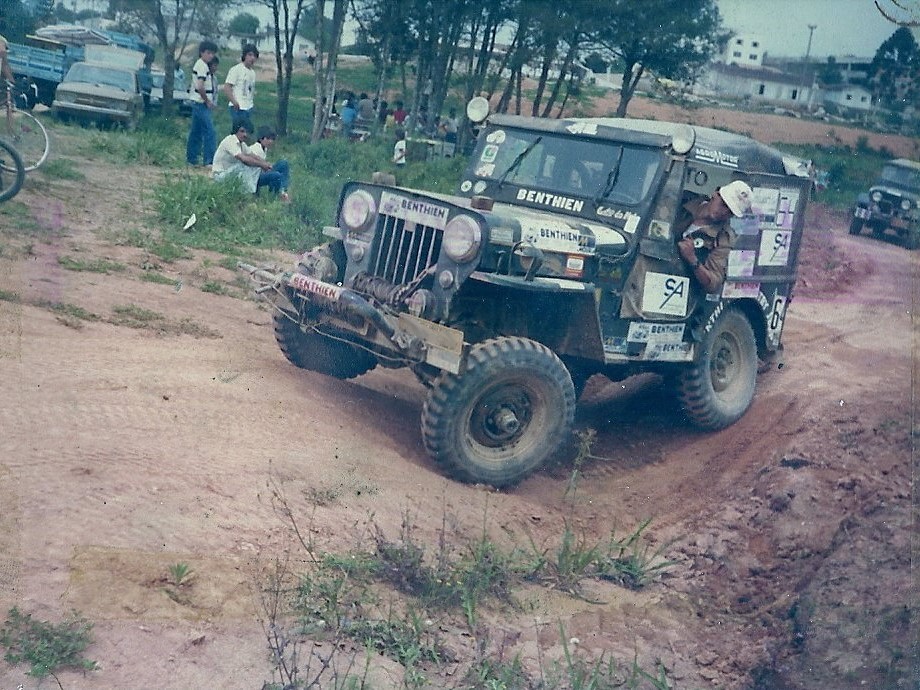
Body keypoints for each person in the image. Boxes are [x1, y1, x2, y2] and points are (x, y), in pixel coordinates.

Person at [675, 180, 753, 293]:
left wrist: (693, 260)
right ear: (716, 194)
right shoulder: (683, 200)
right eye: (724, 204)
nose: (723, 212)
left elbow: (714, 282)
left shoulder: (723, 238)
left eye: (730, 212)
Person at [211, 122, 276, 196]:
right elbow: (243, 159)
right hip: (220, 175)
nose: (245, 134)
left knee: (253, 163)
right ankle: (250, 193)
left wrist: (266, 164)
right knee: (246, 164)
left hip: (230, 173)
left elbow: (253, 155)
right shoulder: (230, 141)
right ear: (236, 131)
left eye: (246, 132)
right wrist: (261, 165)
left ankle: (251, 192)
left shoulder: (242, 144)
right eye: (242, 131)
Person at [186, 40, 219, 167]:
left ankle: (192, 159)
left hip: (199, 103)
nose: (211, 56)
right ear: (202, 53)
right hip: (200, 103)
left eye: (212, 53)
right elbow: (200, 86)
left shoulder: (202, 65)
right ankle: (208, 160)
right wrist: (207, 101)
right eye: (208, 53)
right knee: (210, 132)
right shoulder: (202, 66)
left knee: (196, 131)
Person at [249, 126, 291, 202]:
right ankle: (276, 195)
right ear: (261, 139)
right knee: (276, 175)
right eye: (268, 139)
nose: (271, 141)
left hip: (261, 172)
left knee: (283, 164)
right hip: (255, 177)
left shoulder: (264, 148)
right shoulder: (255, 149)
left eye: (272, 139)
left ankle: (283, 191)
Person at [223, 44, 258, 134]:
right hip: (238, 107)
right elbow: (227, 87)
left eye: (254, 56)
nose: (252, 58)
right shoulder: (236, 69)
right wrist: (234, 102)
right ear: (244, 56)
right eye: (250, 55)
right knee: (237, 133)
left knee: (246, 133)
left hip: (248, 107)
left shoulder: (252, 73)